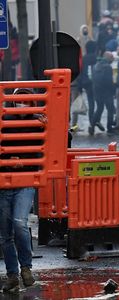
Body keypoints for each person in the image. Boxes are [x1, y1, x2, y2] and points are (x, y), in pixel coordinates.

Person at [0, 88, 48, 293]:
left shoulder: (38, 124)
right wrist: (9, 161)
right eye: (19, 101)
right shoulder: (4, 122)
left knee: (20, 223)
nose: (22, 105)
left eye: (26, 101)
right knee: (4, 236)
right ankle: (12, 276)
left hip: (25, 182)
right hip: (3, 184)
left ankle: (26, 268)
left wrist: (51, 125)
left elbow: (57, 143)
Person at [90, 51, 115, 135]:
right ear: (107, 57)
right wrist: (113, 91)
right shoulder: (108, 67)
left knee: (99, 109)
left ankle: (92, 126)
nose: (113, 59)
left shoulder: (96, 66)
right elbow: (109, 82)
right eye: (111, 57)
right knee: (110, 110)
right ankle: (110, 128)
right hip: (107, 92)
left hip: (97, 91)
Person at [77, 40, 98, 130]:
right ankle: (96, 121)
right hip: (97, 83)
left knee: (91, 103)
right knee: (100, 104)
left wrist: (80, 86)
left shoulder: (84, 58)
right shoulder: (96, 58)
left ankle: (91, 123)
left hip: (86, 83)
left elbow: (80, 72)